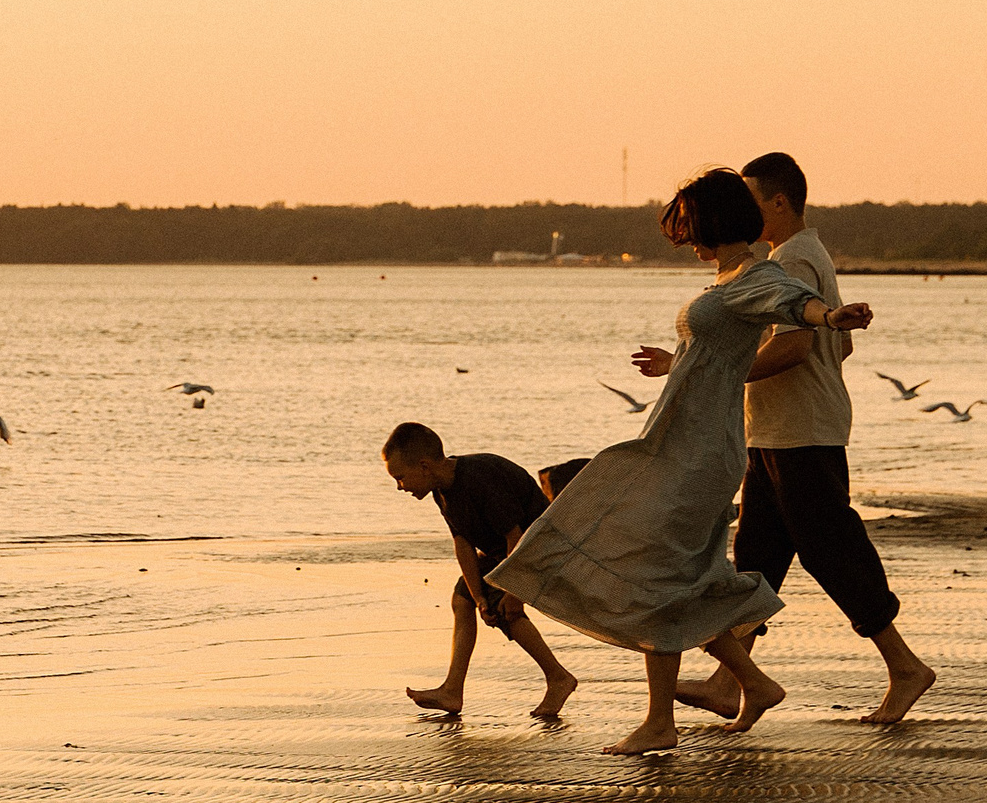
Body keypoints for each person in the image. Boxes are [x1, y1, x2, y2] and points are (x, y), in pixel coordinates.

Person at [487, 169, 873, 754]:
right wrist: (678, 363)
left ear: (716, 224)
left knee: (654, 565)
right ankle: (752, 682)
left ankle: (662, 719)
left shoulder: (756, 276)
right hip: (680, 441)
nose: (688, 242)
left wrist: (829, 317)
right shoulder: (729, 280)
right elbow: (717, 352)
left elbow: (794, 303)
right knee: (676, 573)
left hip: (700, 453)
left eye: (692, 230)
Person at [677, 152, 935, 724]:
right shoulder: (798, 255)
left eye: (750, 202)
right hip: (778, 427)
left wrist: (722, 372)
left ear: (777, 202)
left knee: (830, 549)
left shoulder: (792, 259)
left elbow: (795, 346)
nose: (741, 214)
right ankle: (728, 681)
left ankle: (905, 667)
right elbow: (838, 344)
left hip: (802, 431)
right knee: (757, 556)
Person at [382, 422, 579, 719]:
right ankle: (452, 690)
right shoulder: (442, 491)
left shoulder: (478, 478)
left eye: (400, 477)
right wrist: (478, 598)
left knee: (504, 607)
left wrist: (515, 592)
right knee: (463, 599)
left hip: (542, 547)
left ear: (424, 466)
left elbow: (517, 537)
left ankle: (558, 678)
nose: (399, 486)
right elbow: (463, 544)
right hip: (505, 552)